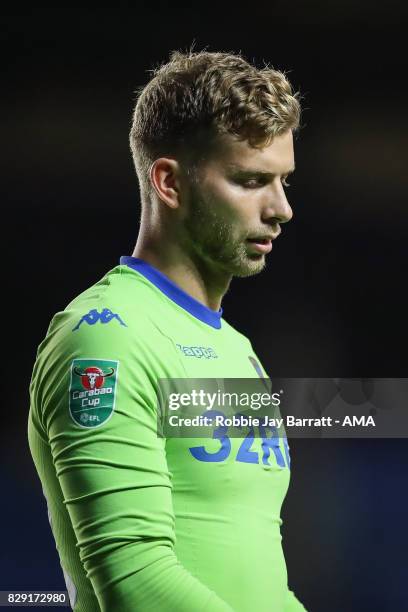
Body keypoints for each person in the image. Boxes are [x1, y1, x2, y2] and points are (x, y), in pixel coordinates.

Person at [28, 49, 306, 611]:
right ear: (169, 183)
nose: (281, 209)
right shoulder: (106, 337)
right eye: (251, 180)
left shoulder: (236, 349)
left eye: (283, 181)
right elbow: (135, 579)